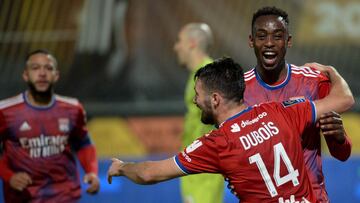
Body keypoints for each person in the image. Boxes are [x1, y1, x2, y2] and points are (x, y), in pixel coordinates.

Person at [107, 57, 354, 202]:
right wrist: (330, 72)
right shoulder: (282, 112)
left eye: (198, 95)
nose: (195, 101)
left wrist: (121, 167)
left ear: (215, 99)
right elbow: (343, 99)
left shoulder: (218, 143)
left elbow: (150, 173)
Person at [241, 6, 352, 202]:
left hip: (311, 198)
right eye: (261, 36)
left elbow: (342, 154)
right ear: (251, 41)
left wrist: (339, 137)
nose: (269, 43)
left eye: (277, 36)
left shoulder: (314, 83)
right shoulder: (239, 91)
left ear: (288, 41)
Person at [0, 49, 100, 203]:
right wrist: (9, 176)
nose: (42, 73)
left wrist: (92, 172)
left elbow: (84, 143)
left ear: (56, 75)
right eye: (35, 68)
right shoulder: (5, 111)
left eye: (48, 68)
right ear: (25, 75)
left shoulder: (73, 108)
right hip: (23, 197)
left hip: (65, 195)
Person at [173, 23, 224, 203]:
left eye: (179, 41)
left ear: (192, 43)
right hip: (193, 167)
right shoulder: (197, 74)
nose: (176, 46)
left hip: (205, 170)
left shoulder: (209, 74)